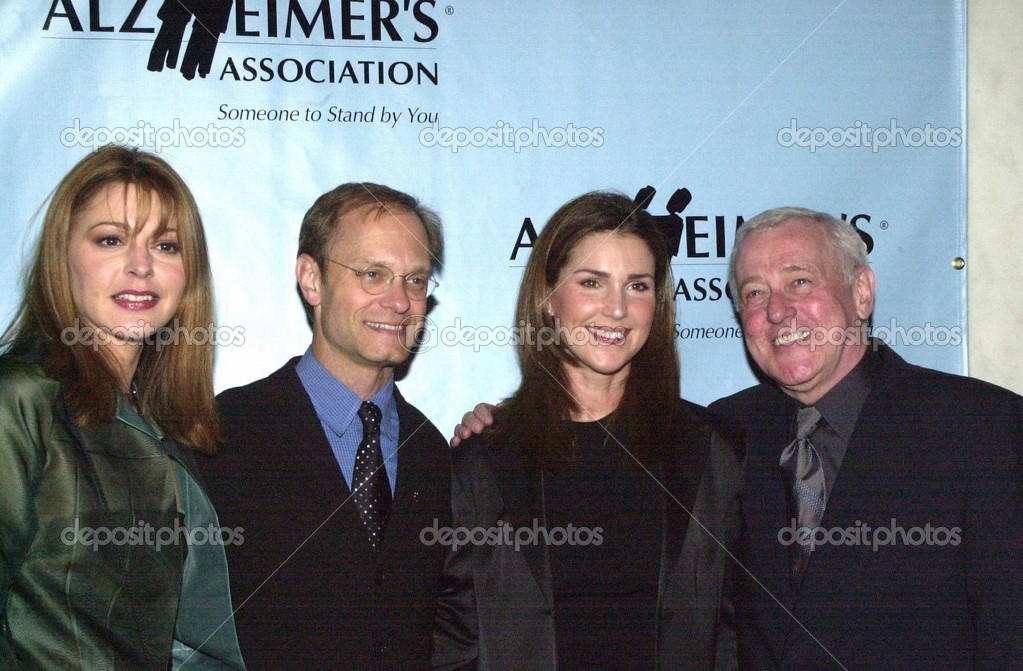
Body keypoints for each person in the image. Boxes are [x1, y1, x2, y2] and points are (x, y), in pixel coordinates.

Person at [432, 192, 744, 671]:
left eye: (637, 286)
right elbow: (453, 644)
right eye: (592, 282)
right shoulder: (483, 463)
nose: (616, 309)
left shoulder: (711, 451)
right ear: (549, 299)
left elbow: (734, 638)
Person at [708, 207, 1023, 669]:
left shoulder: (981, 427)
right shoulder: (727, 432)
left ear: (861, 293)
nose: (776, 310)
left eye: (800, 282)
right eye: (755, 293)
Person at [0, 145, 245, 670]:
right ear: (62, 256)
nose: (140, 266)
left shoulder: (173, 430)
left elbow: (191, 645)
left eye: (166, 246)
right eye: (111, 240)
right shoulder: (20, 397)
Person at [202, 183, 452, 670]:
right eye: (373, 274)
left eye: (416, 280)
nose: (400, 302)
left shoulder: (433, 453)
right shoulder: (223, 435)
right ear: (311, 279)